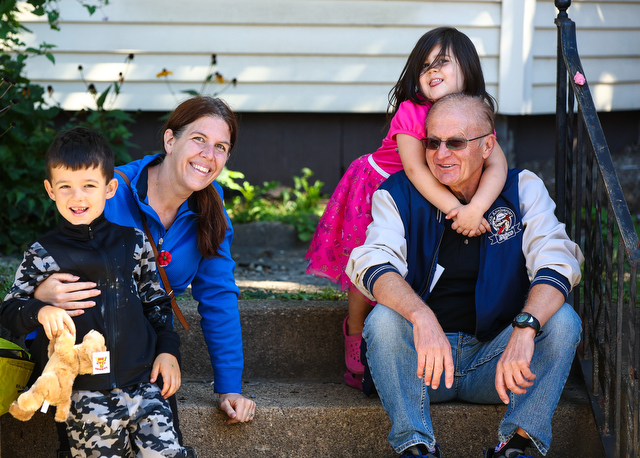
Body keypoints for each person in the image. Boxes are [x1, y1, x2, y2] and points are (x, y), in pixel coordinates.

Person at [346, 93, 584, 458]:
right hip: (422, 365)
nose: (441, 155)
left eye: (456, 142)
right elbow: (373, 262)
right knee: (383, 322)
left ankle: (518, 446)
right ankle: (416, 446)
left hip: (499, 364)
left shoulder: (521, 189)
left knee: (563, 320)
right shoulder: (397, 194)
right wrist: (421, 316)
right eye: (432, 142)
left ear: (488, 145)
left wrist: (526, 326)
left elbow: (557, 259)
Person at [304, 27, 509, 389]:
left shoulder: (474, 114)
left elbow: (498, 165)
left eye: (443, 62)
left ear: (469, 69)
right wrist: (458, 210)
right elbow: (416, 172)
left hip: (418, 199)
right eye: (425, 65)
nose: (432, 70)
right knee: (366, 262)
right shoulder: (412, 112)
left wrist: (477, 207)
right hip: (378, 185)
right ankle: (355, 334)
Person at [32, 96, 257, 426]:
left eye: (221, 147)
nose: (209, 156)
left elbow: (218, 295)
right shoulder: (109, 191)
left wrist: (229, 389)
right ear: (170, 140)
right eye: (199, 139)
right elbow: (53, 268)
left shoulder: (211, 206)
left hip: (144, 345)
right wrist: (43, 291)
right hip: (84, 338)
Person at [0, 127, 186, 457]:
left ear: (110, 187)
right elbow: (10, 311)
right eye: (65, 187)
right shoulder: (44, 252)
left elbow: (156, 301)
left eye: (89, 186)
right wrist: (40, 309)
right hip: (84, 392)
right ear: (50, 190)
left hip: (145, 381)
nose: (77, 197)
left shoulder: (133, 242)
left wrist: (168, 352)